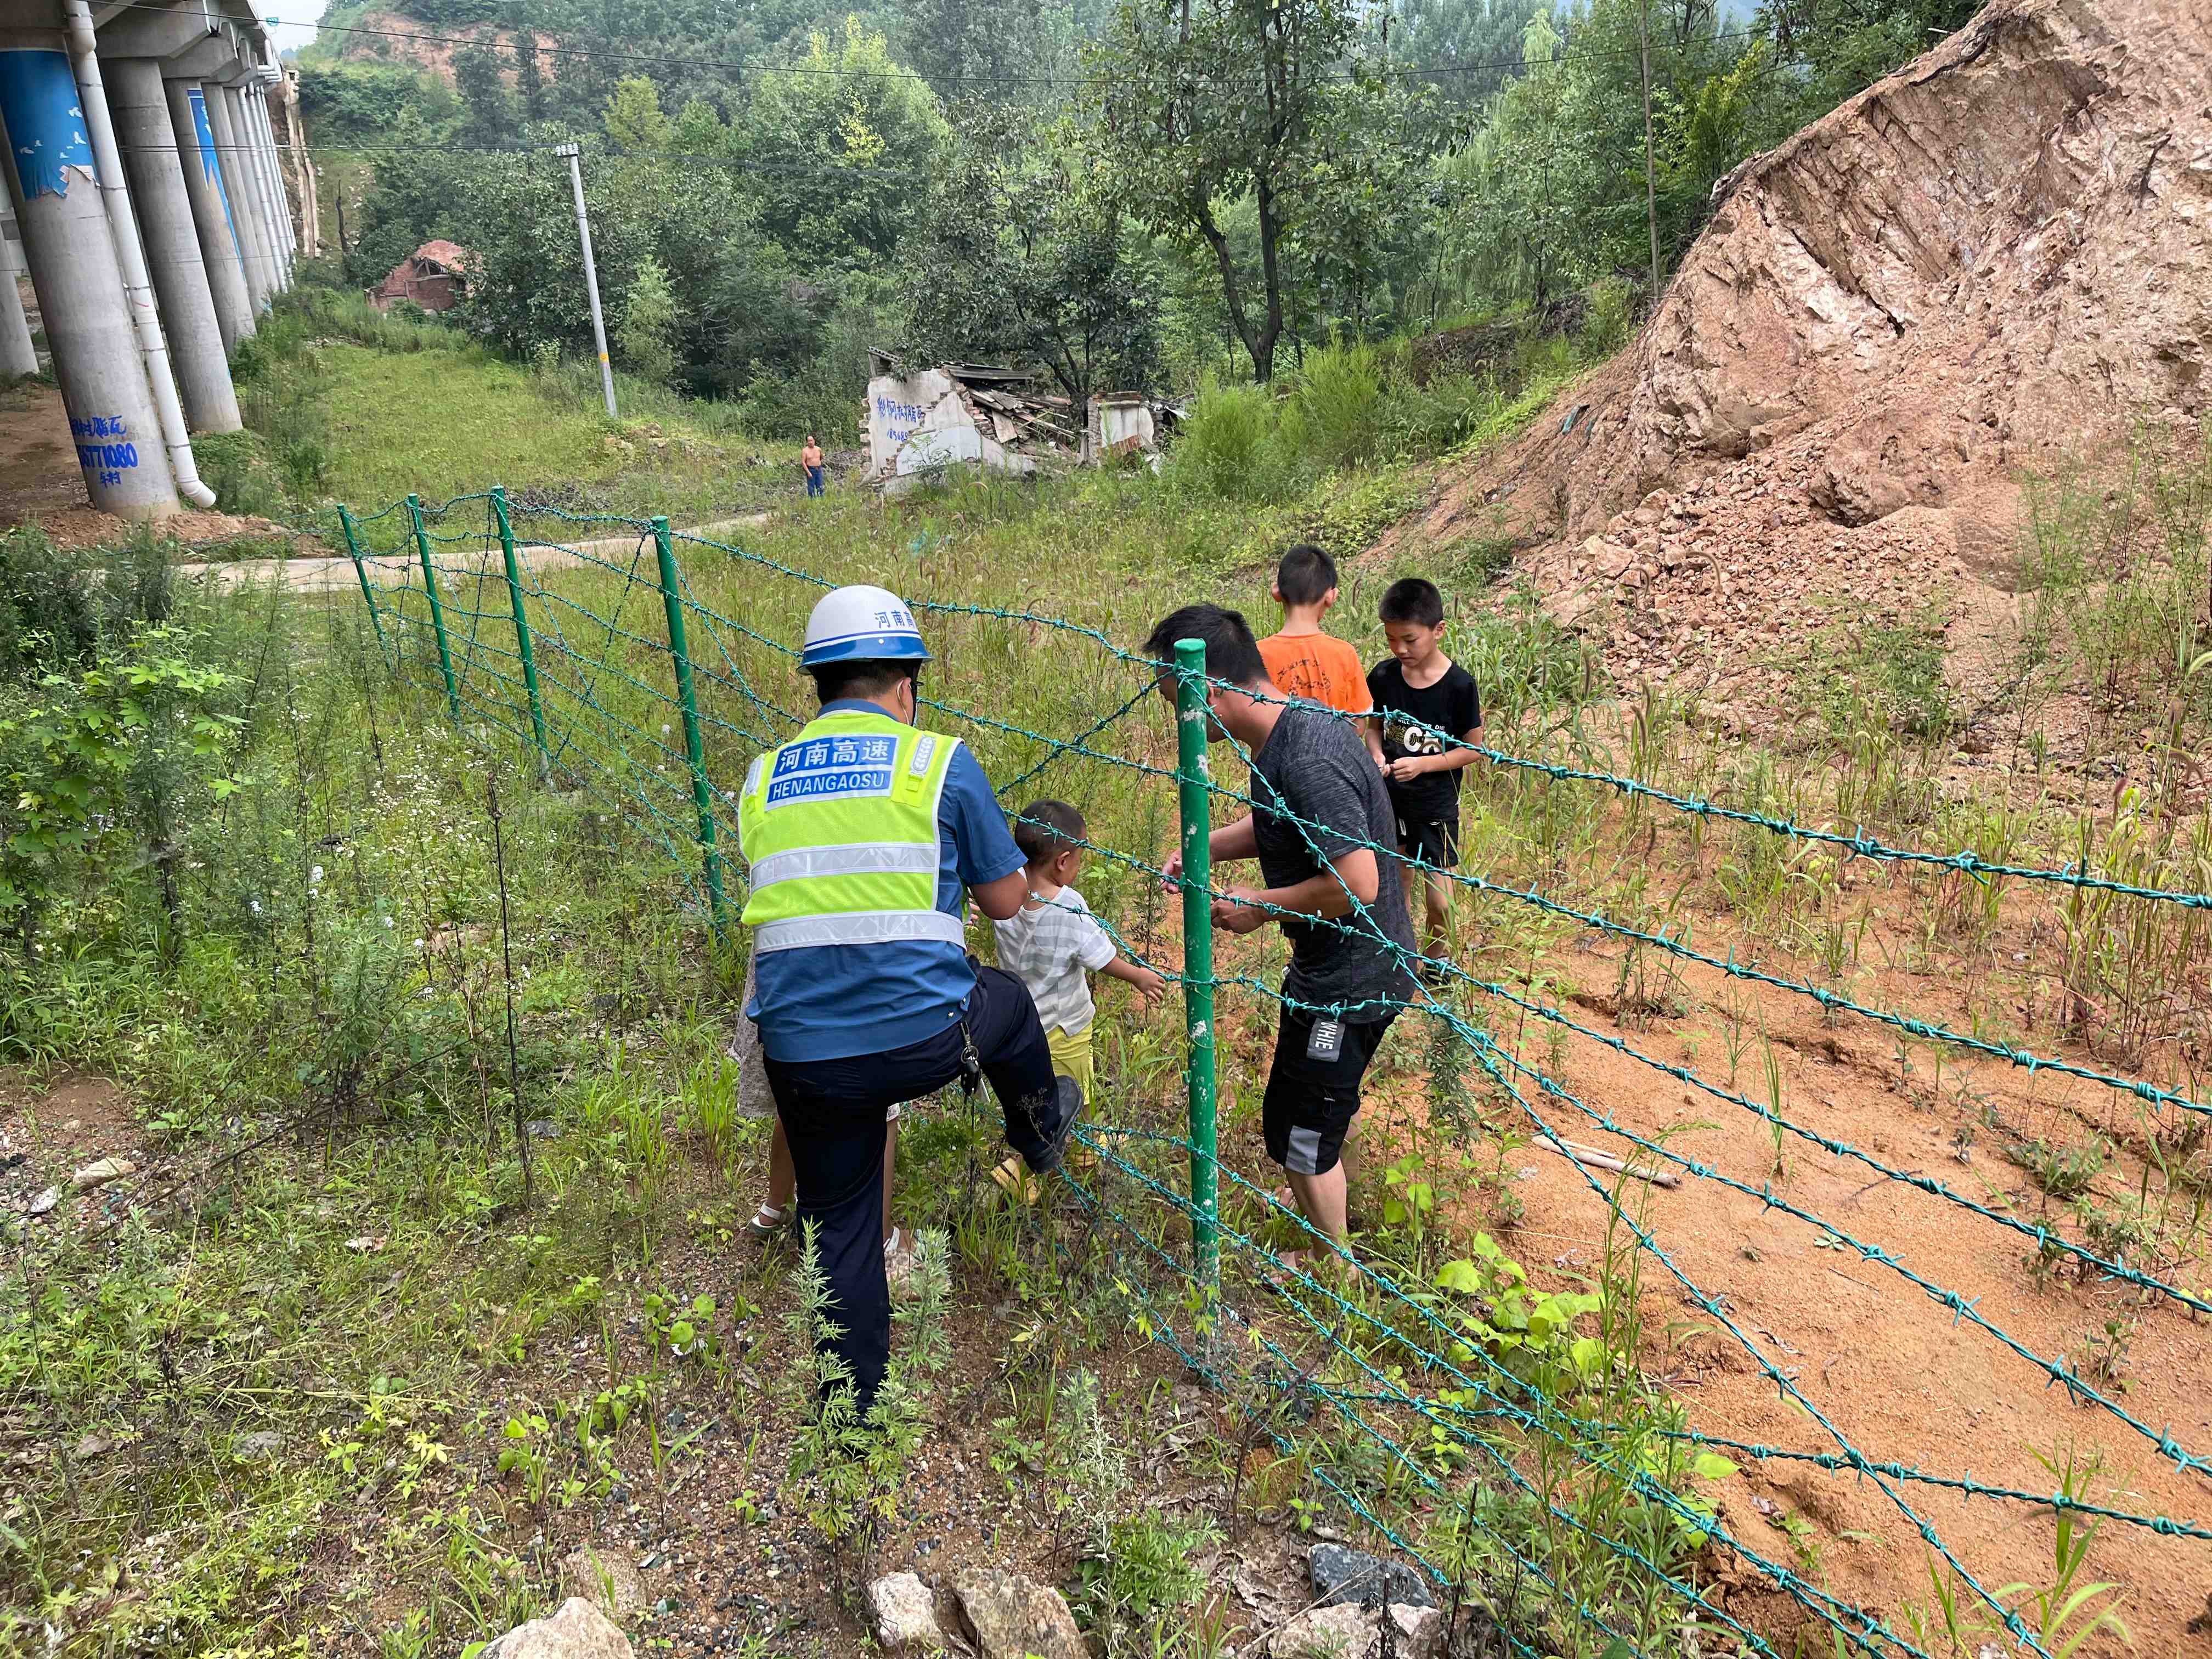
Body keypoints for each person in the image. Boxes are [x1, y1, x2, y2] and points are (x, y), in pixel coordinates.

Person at [737, 585, 1080, 1410]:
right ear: (906, 687)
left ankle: (852, 1420)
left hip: (802, 1051)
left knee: (840, 1229)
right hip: (923, 1035)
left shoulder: (763, 777)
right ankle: (1038, 1135)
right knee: (1010, 1005)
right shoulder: (937, 762)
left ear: (819, 686)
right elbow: (1006, 901)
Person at [1146, 604, 1417, 1267]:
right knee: (1316, 1113)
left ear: (1208, 692)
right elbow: (1284, 823)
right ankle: (1329, 1208)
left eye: (1176, 704)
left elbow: (1358, 882)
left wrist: (1260, 906)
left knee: (1299, 1132)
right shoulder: (1290, 727)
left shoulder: (1306, 760)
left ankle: (1333, 1273)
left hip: (1351, 980)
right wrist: (1207, 847)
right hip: (1338, 967)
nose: (1178, 722)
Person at [989, 800, 1167, 1197]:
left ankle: (1041, 1153)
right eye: (1080, 858)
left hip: (1021, 1025)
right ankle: (1057, 1160)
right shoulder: (1068, 906)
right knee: (1076, 1090)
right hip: (1066, 1024)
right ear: (1063, 862)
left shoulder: (1006, 892)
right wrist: (1138, 975)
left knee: (1032, 1097)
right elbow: (1100, 958)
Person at [1365, 578, 1484, 980]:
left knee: (1441, 900)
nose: (1400, 649)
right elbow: (1374, 728)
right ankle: (1396, 957)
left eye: (1410, 640)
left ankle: (1437, 960)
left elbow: (1473, 750)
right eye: (1391, 639)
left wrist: (1422, 766)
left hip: (1435, 804)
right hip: (1390, 798)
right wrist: (1377, 754)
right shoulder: (1383, 677)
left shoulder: (1459, 686)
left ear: (1439, 630)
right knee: (1395, 882)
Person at [1256, 544, 1368, 721]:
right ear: (1331, 597)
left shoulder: (1256, 654)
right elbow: (1358, 724)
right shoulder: (1345, 654)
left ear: (1276, 591)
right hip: (1333, 741)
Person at [802, 434, 826, 498]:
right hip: (811, 470)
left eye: (811, 440)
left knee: (820, 486)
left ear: (814, 441)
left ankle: (821, 499)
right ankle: (812, 500)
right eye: (809, 441)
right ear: (807, 442)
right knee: (811, 488)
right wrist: (808, 472)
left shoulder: (818, 449)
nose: (810, 442)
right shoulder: (805, 451)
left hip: (819, 469)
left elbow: (821, 457)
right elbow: (803, 462)